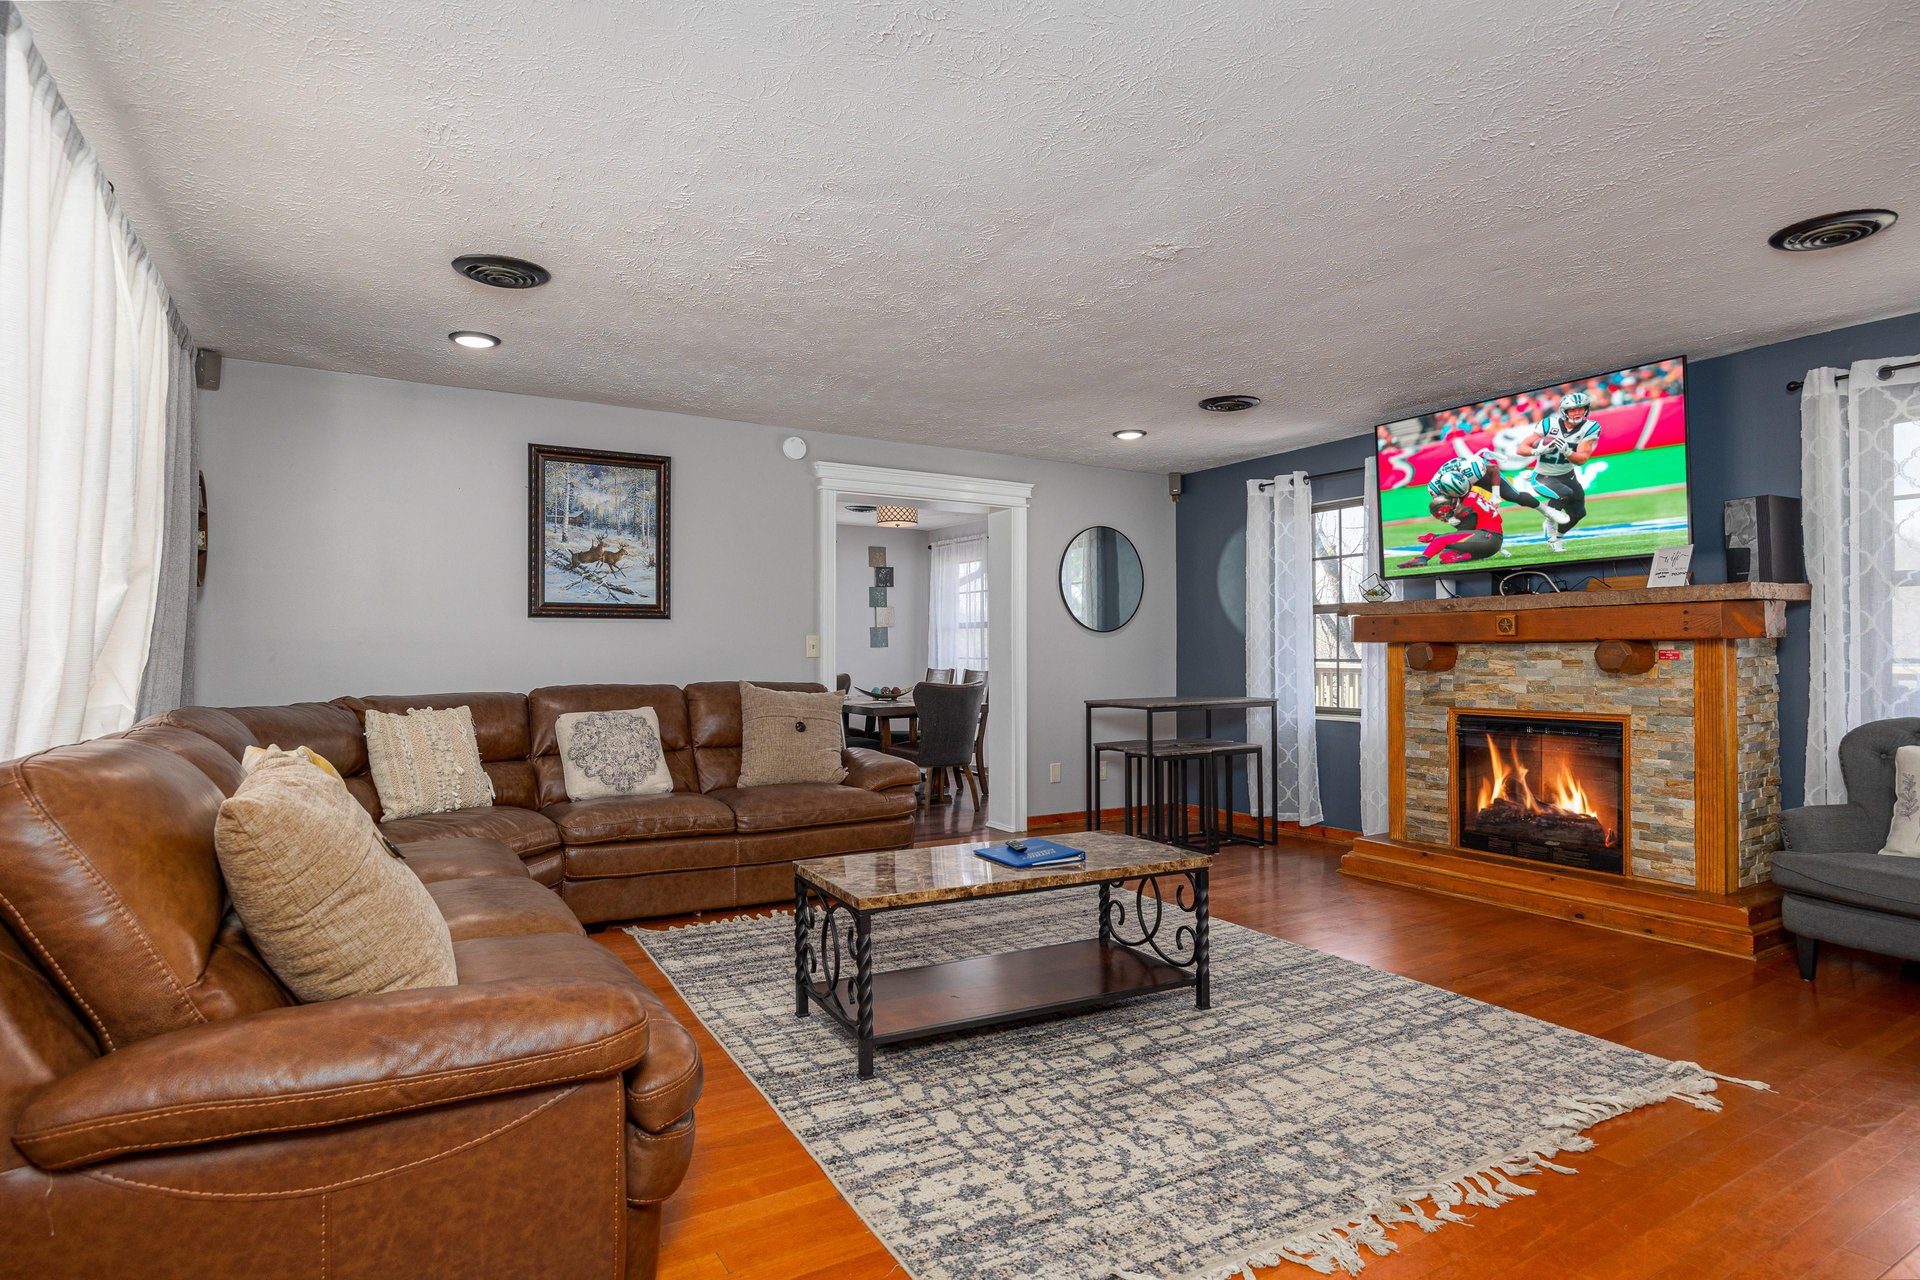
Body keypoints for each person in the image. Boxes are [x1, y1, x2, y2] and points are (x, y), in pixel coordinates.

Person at [1517, 391, 1602, 552]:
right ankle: (1549, 521)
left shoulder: (1590, 427)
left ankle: (1557, 538)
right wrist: (1537, 451)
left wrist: (1567, 451)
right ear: (1564, 411)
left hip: (1568, 476)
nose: (1577, 413)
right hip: (1543, 476)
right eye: (1572, 410)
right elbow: (1521, 449)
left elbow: (1582, 459)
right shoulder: (1549, 424)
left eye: (1581, 408)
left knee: (1579, 513)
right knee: (1565, 493)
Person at [1400, 479, 1506, 568]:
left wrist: (1435, 537)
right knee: (1446, 555)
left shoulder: (1464, 507)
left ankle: (1421, 559)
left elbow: (1463, 532)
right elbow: (1465, 533)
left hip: (1488, 537)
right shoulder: (1471, 496)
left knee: (1441, 540)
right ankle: (1467, 556)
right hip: (1488, 541)